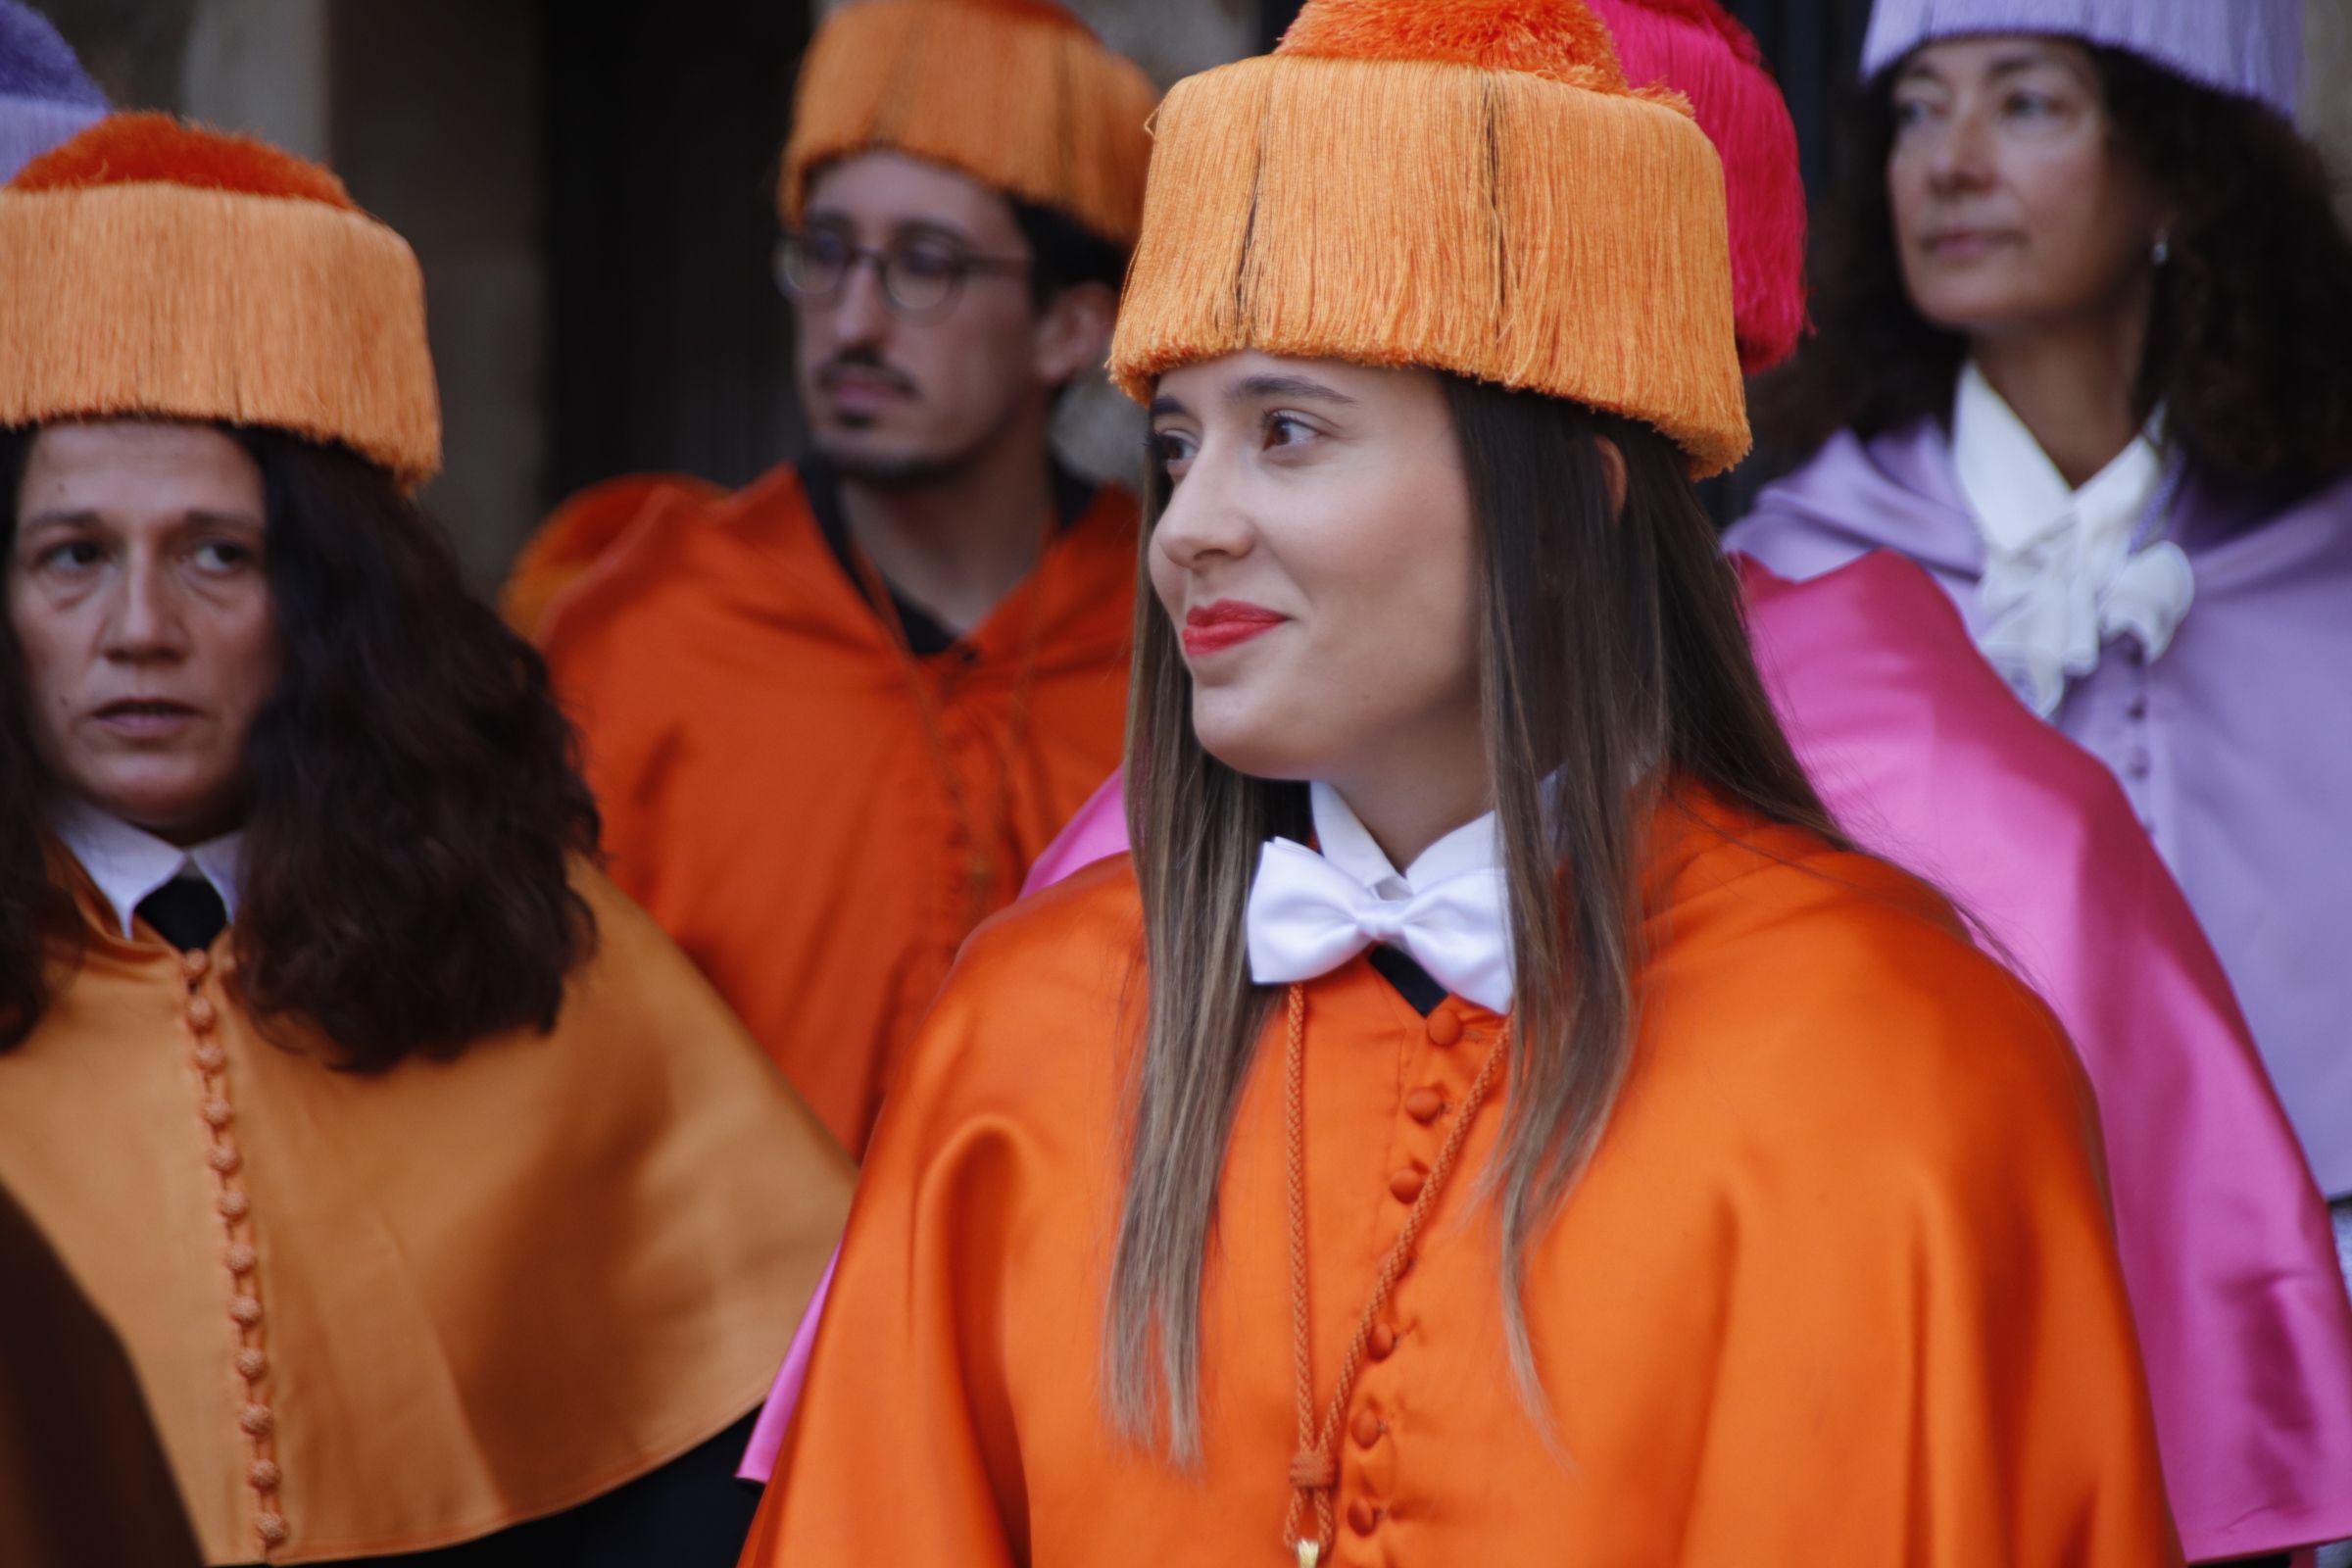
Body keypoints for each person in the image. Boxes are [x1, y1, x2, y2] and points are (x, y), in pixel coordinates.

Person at [740, 1, 2179, 1561]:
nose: (1185, 529)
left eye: (1286, 431)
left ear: (1569, 499)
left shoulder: (1904, 1062)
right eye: (1173, 446)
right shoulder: (1018, 1041)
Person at [0, 114, 851, 1566]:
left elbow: (739, 1485)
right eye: (73, 555)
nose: (139, 630)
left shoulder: (542, 961)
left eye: (220, 554)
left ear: (333, 603)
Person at [1724, 1, 2352, 1260]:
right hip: (1936, 1277)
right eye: (1915, 110)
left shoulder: (2326, 559)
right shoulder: (1791, 577)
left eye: (2025, 102)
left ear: (2181, 160)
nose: (1949, 162)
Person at [522, 0, 1157, 1158]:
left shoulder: (1183, 646)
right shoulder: (642, 635)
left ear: (1072, 327)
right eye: (827, 253)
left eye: (925, 265)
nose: (853, 322)